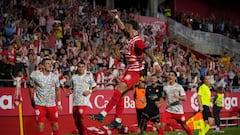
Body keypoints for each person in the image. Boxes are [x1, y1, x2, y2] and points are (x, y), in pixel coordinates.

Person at [90, 9, 162, 129]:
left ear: (132, 29)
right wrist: (117, 17)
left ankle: (102, 114)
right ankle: (117, 120)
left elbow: (147, 51)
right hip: (130, 70)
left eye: (128, 27)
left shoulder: (137, 41)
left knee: (118, 90)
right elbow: (122, 27)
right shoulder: (129, 37)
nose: (125, 29)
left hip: (136, 72)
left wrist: (155, 63)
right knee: (120, 95)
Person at [29, 58, 62, 135]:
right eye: (47, 63)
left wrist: (59, 103)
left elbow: (57, 89)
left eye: (51, 63)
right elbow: (30, 86)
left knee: (55, 125)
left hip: (52, 105)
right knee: (40, 126)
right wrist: (32, 99)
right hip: (40, 105)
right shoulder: (35, 75)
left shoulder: (55, 76)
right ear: (43, 66)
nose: (50, 65)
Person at [158, 71, 193, 135]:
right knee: (162, 124)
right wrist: (160, 103)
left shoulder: (179, 87)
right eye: (169, 75)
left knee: (184, 126)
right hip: (169, 110)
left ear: (175, 78)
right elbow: (164, 97)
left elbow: (184, 98)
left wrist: (178, 97)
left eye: (172, 75)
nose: (170, 77)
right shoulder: (165, 87)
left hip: (178, 111)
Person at [69, 61, 97, 135]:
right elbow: (72, 88)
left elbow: (96, 88)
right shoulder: (74, 77)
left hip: (83, 102)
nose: (81, 68)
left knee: (80, 120)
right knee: (76, 121)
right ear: (77, 68)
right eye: (79, 67)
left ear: (84, 68)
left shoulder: (88, 75)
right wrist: (70, 92)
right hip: (75, 103)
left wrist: (89, 91)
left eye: (82, 67)